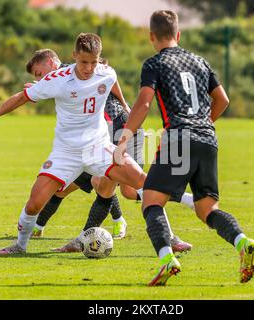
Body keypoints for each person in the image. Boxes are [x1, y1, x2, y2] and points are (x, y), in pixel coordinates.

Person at [116, 11, 254, 286]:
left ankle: (167, 259)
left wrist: (123, 141)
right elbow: (223, 99)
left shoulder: (154, 64)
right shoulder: (200, 61)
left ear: (151, 37)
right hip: (208, 139)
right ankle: (242, 241)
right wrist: (203, 124)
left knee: (151, 201)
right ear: (178, 35)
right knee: (207, 208)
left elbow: (144, 104)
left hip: (179, 136)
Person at [23, 49, 193, 252]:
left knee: (121, 186)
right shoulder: (61, 79)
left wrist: (123, 103)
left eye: (39, 74)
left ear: (51, 62)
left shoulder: (80, 68)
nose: (40, 79)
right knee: (118, 189)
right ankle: (85, 236)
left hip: (116, 128)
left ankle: (170, 234)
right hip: (104, 135)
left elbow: (109, 75)